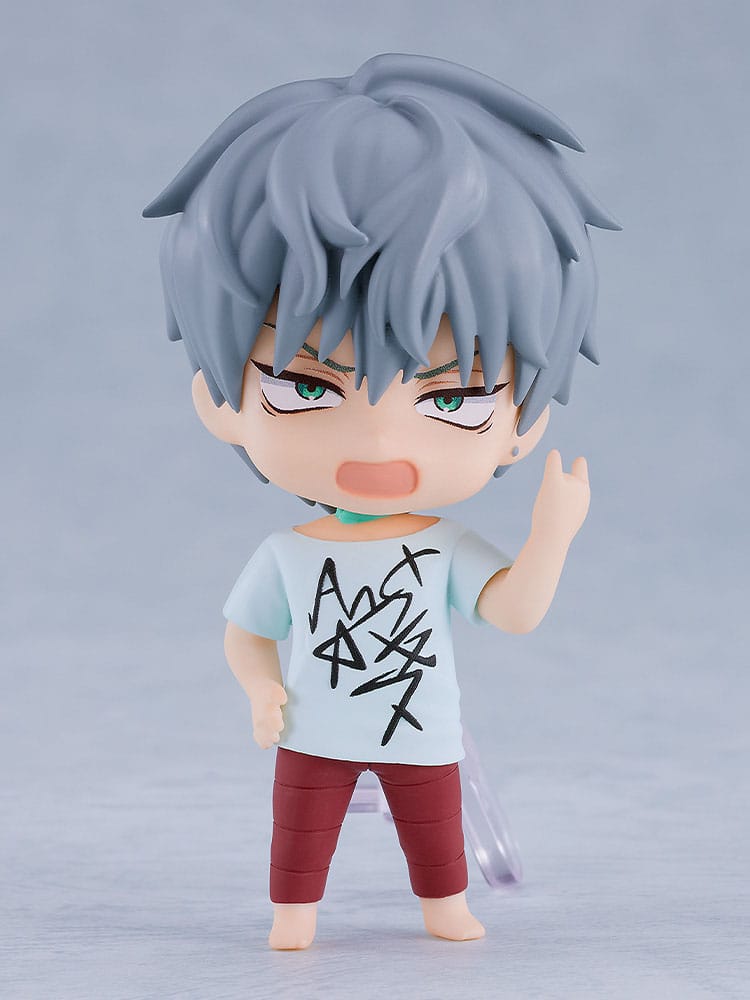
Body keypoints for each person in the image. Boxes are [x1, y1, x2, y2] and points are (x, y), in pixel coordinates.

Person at [144, 52, 618, 950]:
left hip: (424, 733)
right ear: (219, 399)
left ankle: (445, 907)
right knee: (300, 835)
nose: (378, 447)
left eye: (454, 399)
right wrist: (260, 688)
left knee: (435, 837)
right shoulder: (290, 553)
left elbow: (512, 612)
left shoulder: (445, 547)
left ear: (523, 423)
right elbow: (247, 630)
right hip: (313, 731)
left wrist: (551, 537)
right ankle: (294, 915)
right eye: (306, 387)